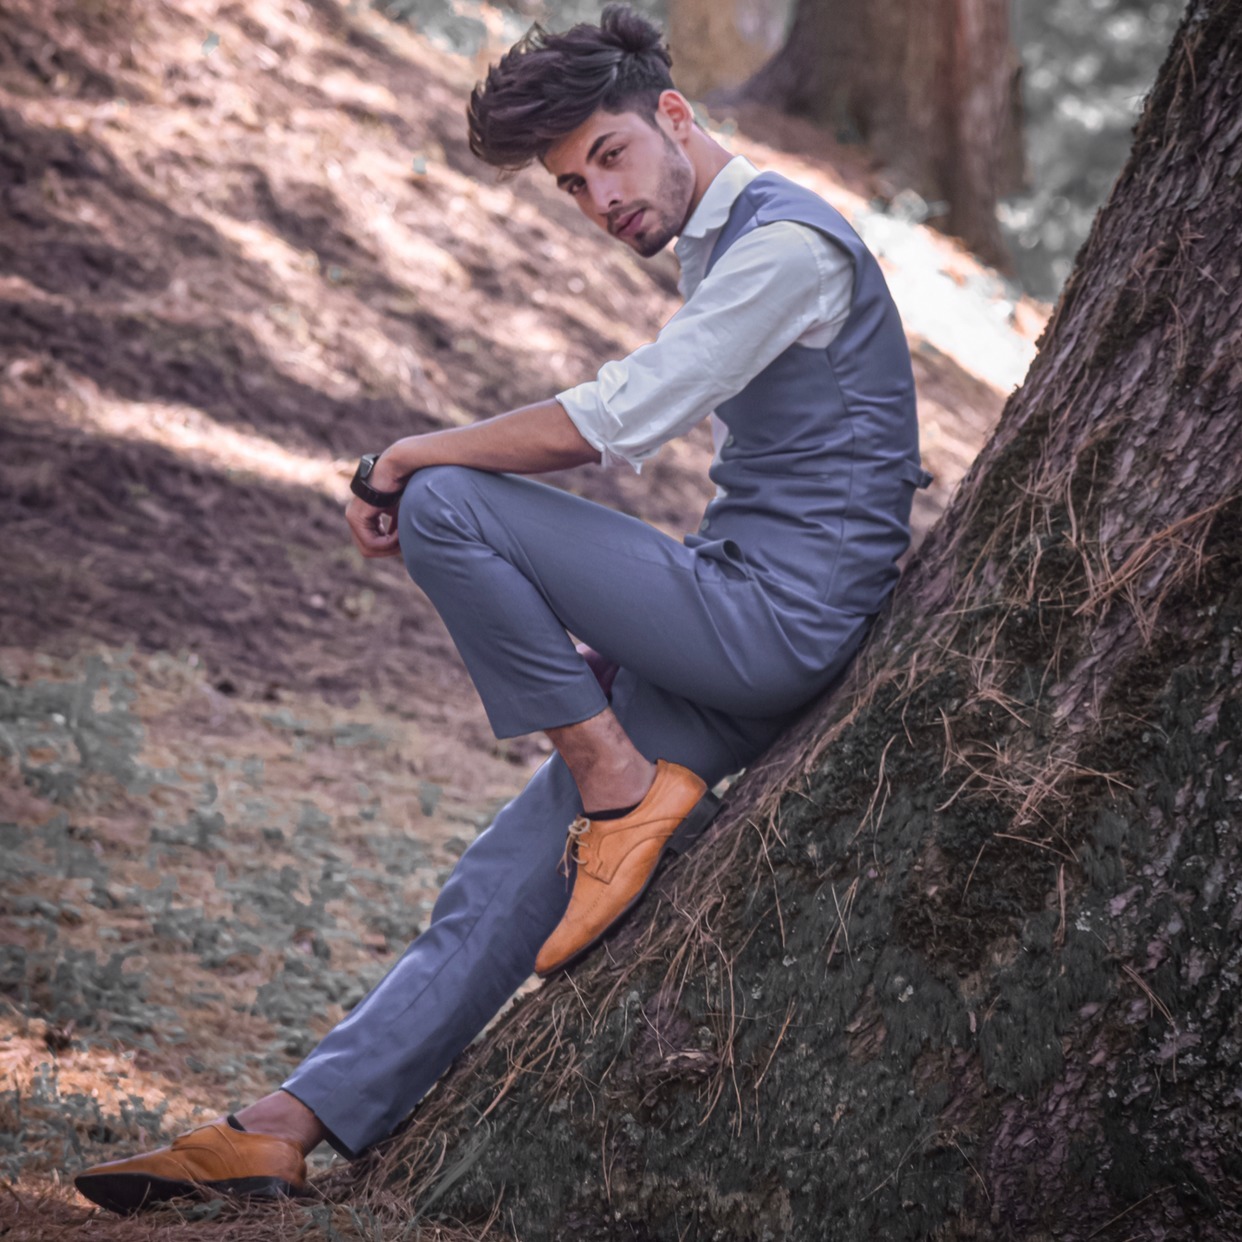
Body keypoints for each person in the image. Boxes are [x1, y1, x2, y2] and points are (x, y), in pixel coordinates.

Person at [74, 5, 928, 1215]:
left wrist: (404, 455)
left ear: (674, 115)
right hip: (741, 615)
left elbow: (615, 420)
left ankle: (619, 787)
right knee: (501, 879)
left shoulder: (786, 247)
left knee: (447, 505)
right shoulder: (722, 240)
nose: (600, 200)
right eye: (573, 185)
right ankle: (281, 1127)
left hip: (777, 625)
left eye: (610, 159)